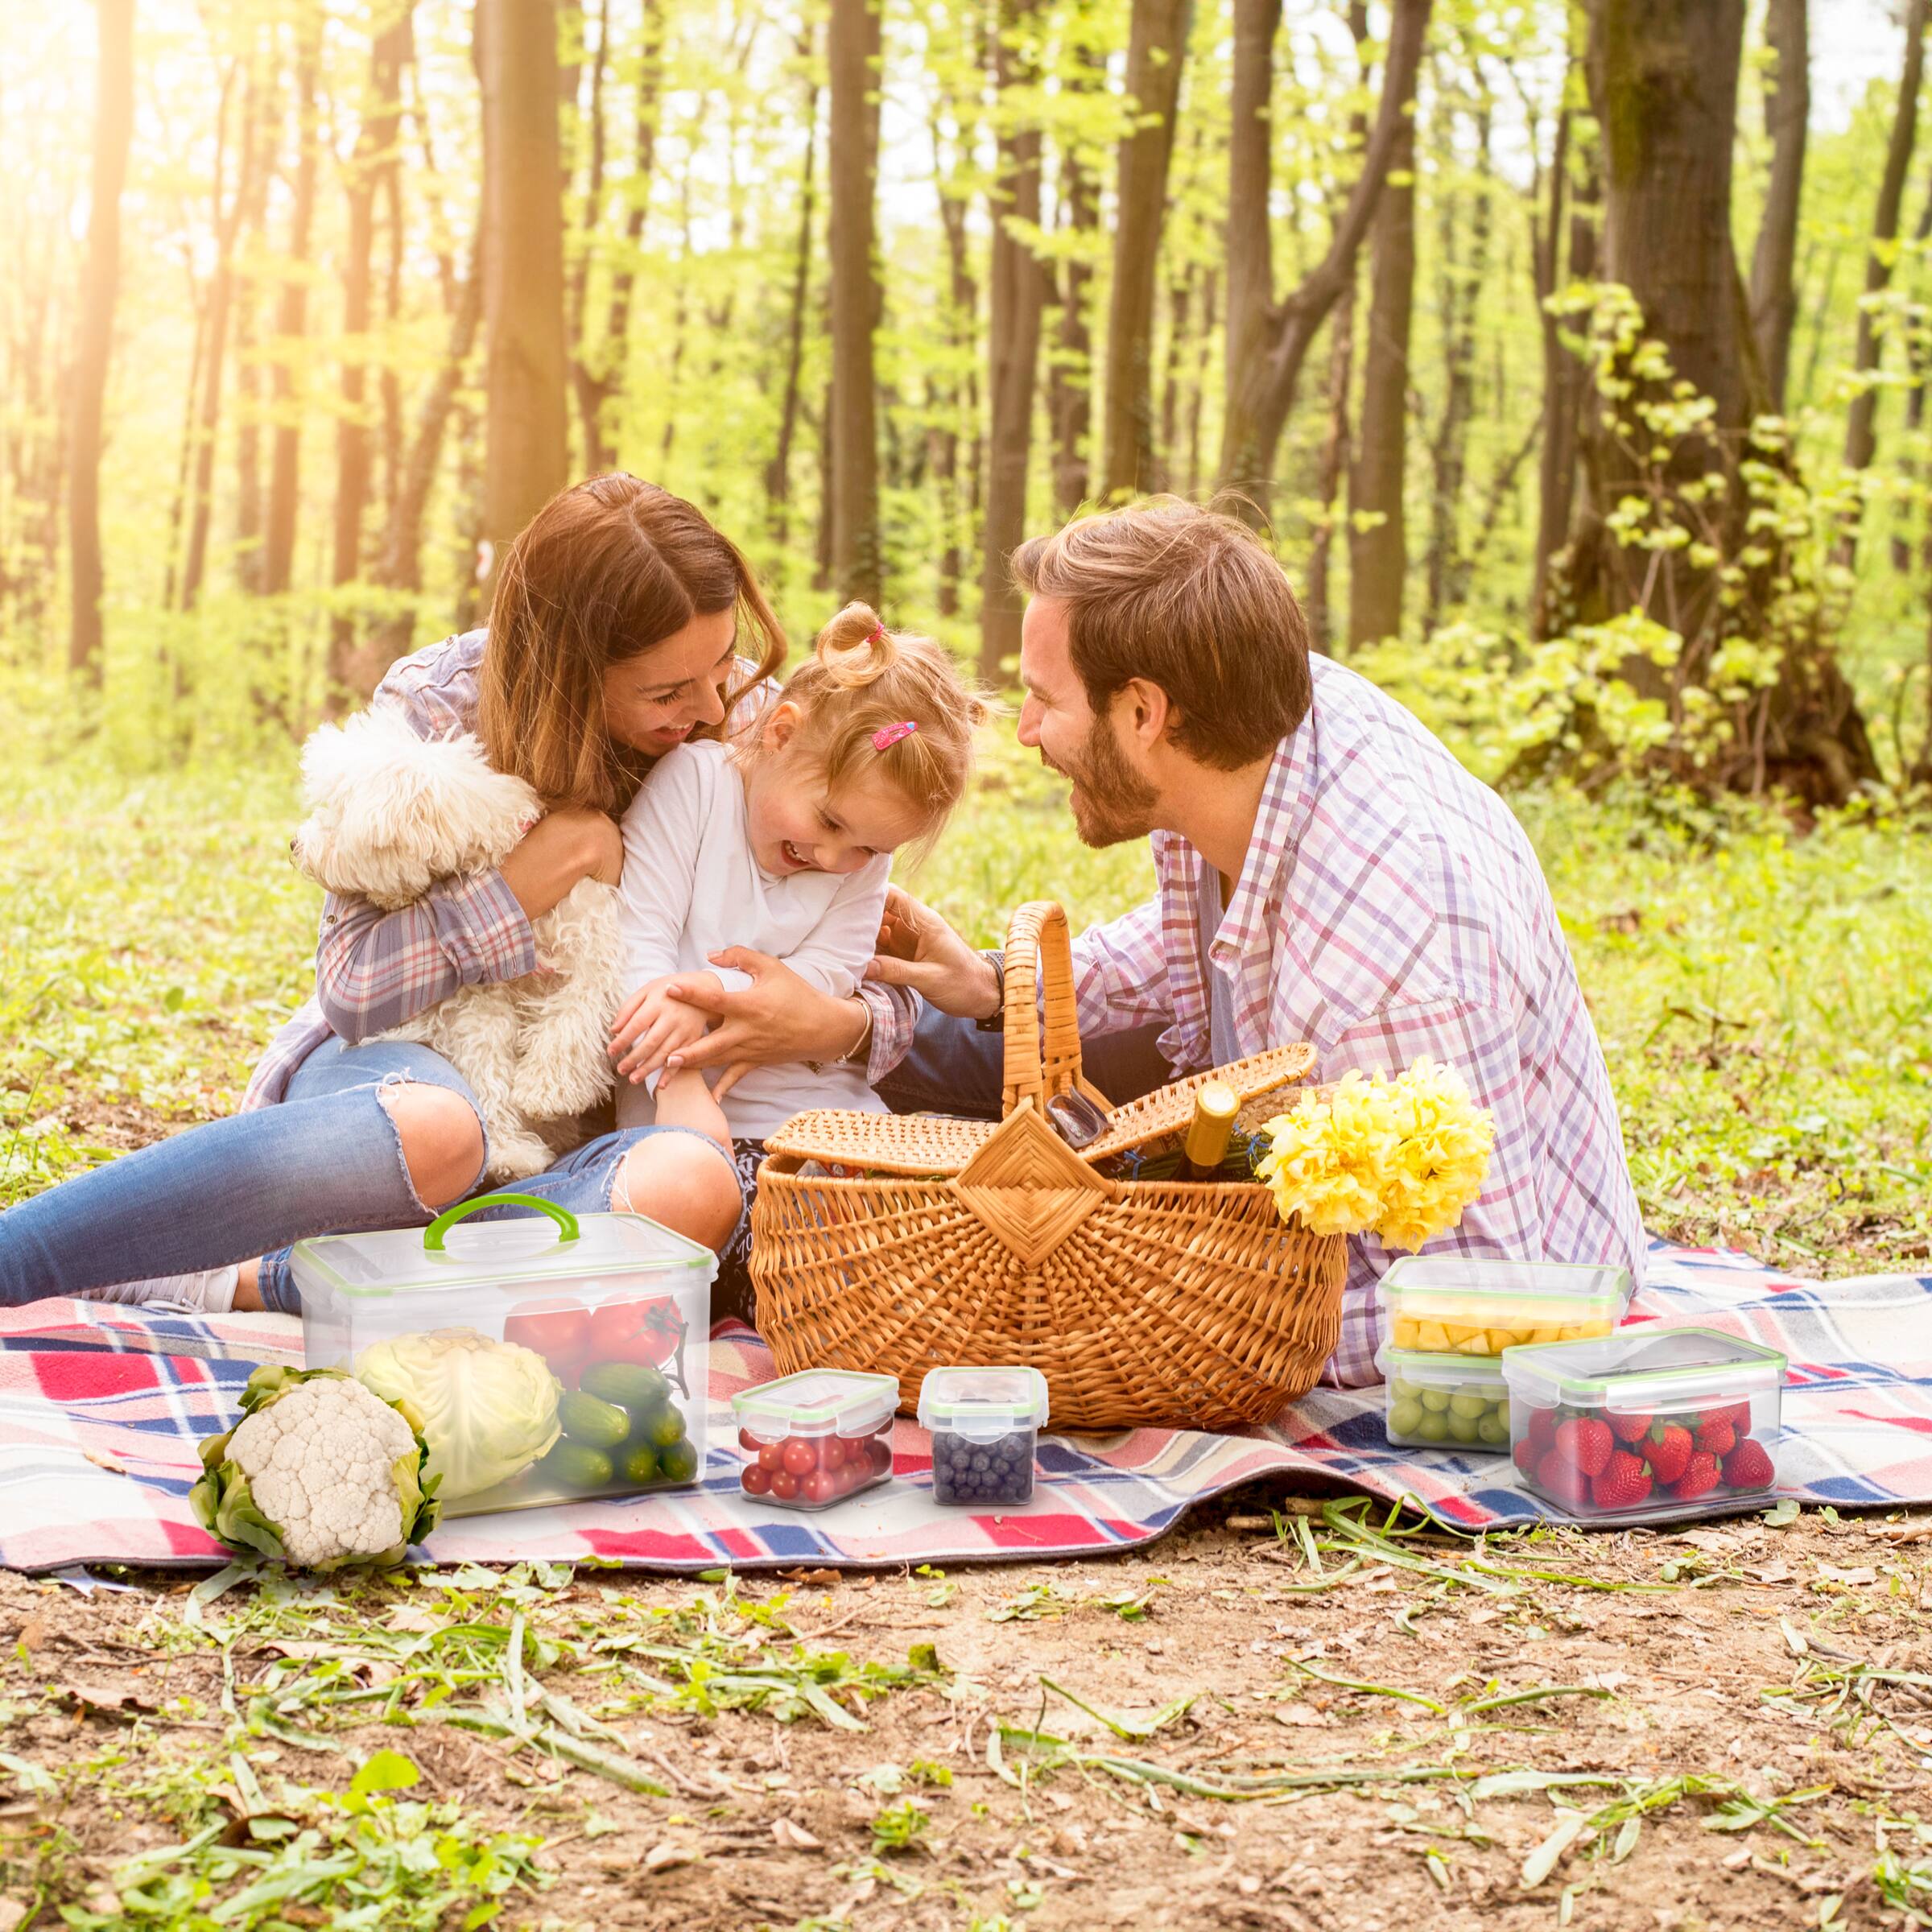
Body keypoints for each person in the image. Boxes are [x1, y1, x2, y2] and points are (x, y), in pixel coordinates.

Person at [671, 496, 1646, 1385]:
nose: (1025, 733)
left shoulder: (1392, 950)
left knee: (982, 1148)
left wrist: (1141, 1326)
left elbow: (1492, 1303)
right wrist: (991, 983)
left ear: (1144, 713)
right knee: (961, 1055)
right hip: (1257, 1105)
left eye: (1046, 700)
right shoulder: (1252, 733)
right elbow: (1194, 947)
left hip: (1472, 1260)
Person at [0, 476, 917, 1313]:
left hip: (578, 1152)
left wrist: (838, 1024)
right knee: (443, 1132)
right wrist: (532, 877)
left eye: (721, 666)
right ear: (566, 666)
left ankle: (263, 1282)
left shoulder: (754, 733)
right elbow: (352, 988)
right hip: (411, 1074)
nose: (715, 709)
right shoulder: (444, 704)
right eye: (669, 689)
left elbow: (874, 932)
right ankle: (18, 1260)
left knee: (695, 1187)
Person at [607, 602, 987, 1316]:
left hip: (838, 1126)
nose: (837, 859)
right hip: (706, 1124)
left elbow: (827, 978)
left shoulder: (857, 868)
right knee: (799, 1252)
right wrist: (676, 1074)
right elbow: (635, 943)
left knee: (957, 1206)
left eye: (871, 850)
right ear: (780, 735)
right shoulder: (696, 786)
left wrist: (699, 995)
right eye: (831, 822)